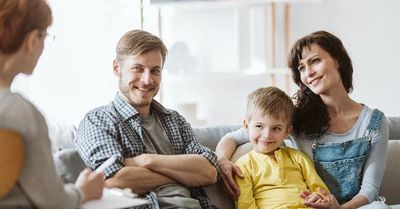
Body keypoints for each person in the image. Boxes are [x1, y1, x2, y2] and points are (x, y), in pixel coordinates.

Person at [216, 31, 390, 209]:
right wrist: (221, 161)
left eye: (315, 61)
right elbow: (233, 137)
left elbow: (369, 189)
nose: (309, 73)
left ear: (338, 60)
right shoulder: (295, 119)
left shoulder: (374, 122)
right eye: (301, 68)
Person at [74, 29, 218, 209]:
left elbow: (209, 172)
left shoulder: (175, 120)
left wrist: (145, 160)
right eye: (138, 68)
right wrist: (186, 175)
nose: (147, 80)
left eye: (155, 70)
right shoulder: (98, 121)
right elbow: (112, 180)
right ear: (117, 68)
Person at [0, 0, 104, 208]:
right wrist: (82, 190)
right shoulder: (20, 112)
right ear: (31, 40)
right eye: (45, 36)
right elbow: (53, 202)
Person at [234, 86, 329, 209]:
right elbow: (245, 204)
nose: (267, 135)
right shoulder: (243, 165)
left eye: (276, 128)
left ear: (287, 131)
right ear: (246, 126)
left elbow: (320, 190)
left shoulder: (297, 157)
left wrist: (320, 198)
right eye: (259, 126)